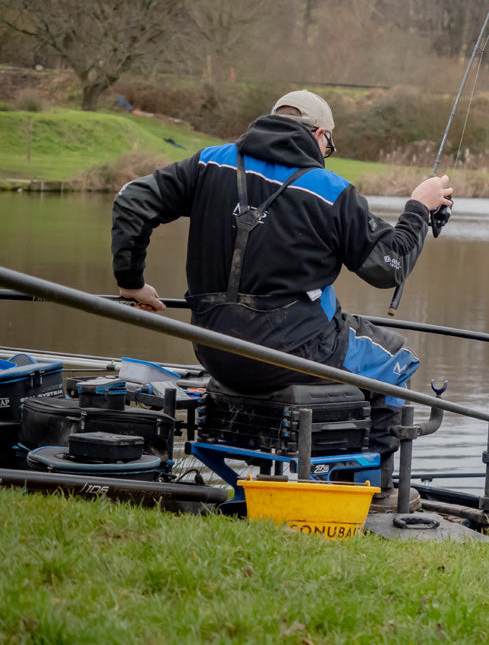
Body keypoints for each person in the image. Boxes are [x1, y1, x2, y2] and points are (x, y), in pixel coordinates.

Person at [111, 89, 452, 500]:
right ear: (320, 134)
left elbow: (131, 200)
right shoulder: (331, 191)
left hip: (213, 348)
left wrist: (131, 282)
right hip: (292, 355)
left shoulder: (209, 163)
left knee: (355, 342)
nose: (327, 151)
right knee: (395, 359)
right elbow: (387, 268)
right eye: (329, 144)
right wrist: (419, 207)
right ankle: (371, 491)